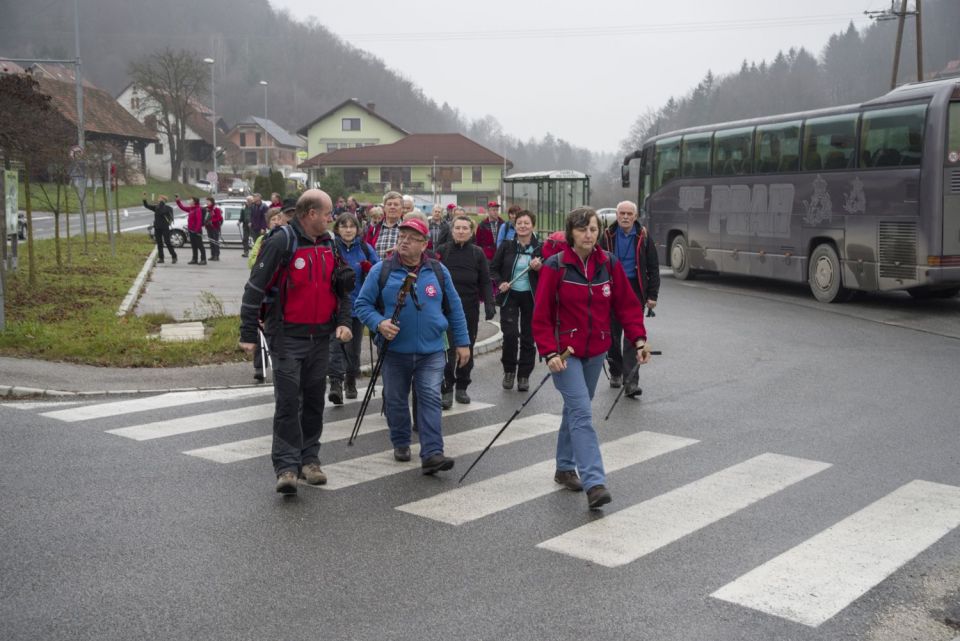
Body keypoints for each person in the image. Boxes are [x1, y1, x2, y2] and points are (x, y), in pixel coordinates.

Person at [532, 207, 651, 510]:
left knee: (575, 409)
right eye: (583, 229)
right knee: (583, 413)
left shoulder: (608, 265)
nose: (589, 234)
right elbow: (541, 316)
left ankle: (563, 466)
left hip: (596, 350)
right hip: (565, 353)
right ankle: (595, 482)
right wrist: (548, 352)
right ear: (571, 232)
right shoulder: (554, 266)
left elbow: (627, 306)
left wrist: (638, 339)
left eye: (594, 229)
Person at [238, 189, 354, 495]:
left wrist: (343, 322)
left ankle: (309, 461)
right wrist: (248, 333)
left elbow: (341, 288)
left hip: (321, 337)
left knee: (315, 400)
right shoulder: (281, 241)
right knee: (289, 401)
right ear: (311, 214)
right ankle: (286, 467)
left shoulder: (330, 244)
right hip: (287, 336)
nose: (333, 218)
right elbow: (254, 288)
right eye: (328, 213)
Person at [354, 217, 470, 475]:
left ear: (424, 244)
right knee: (395, 399)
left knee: (429, 396)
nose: (404, 242)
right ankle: (401, 441)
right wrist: (379, 323)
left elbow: (455, 308)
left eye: (411, 238)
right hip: (394, 352)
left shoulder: (438, 271)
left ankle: (432, 453)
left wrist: (462, 342)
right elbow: (362, 305)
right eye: (401, 237)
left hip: (432, 351)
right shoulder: (381, 270)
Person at [598, 200, 660, 396]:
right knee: (613, 336)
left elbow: (653, 267)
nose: (625, 217)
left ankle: (631, 382)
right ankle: (616, 371)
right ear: (616, 215)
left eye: (629, 214)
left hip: (635, 288)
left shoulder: (644, 236)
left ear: (635, 217)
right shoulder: (607, 235)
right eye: (622, 213)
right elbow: (597, 264)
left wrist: (652, 295)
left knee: (633, 336)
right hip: (611, 287)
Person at [435, 215, 494, 408]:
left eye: (465, 228)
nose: (461, 231)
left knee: (465, 347)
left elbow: (485, 281)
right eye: (457, 228)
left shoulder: (477, 253)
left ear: (471, 232)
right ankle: (447, 388)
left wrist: (490, 303)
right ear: (452, 231)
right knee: (447, 349)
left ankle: (462, 386)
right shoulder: (442, 251)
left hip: (469, 308)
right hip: (444, 308)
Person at [328, 212, 379, 402]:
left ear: (357, 229)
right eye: (344, 226)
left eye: (351, 226)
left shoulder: (365, 249)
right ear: (337, 229)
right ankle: (335, 384)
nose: (348, 230)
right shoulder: (331, 248)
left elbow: (378, 271)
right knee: (335, 346)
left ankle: (351, 380)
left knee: (353, 349)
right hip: (335, 306)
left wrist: (369, 270)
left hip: (358, 307)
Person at [492, 210, 541, 392]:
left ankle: (524, 375)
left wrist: (539, 268)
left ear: (532, 226)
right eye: (519, 223)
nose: (522, 226)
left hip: (531, 297)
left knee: (528, 337)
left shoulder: (539, 249)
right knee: (510, 335)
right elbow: (493, 269)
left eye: (526, 223)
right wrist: (501, 283)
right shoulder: (506, 246)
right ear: (514, 225)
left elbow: (550, 274)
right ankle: (509, 370)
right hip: (510, 296)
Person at [364, 191, 403, 259]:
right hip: (377, 268)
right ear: (384, 208)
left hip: (399, 268)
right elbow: (367, 251)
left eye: (396, 204)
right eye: (389, 204)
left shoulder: (407, 229)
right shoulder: (373, 229)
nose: (392, 207)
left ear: (402, 208)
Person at [143, 192, 177, 264]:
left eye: (160, 198)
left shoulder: (168, 208)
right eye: (159, 198)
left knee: (167, 242)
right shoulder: (156, 207)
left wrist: (161, 204)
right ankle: (161, 258)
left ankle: (174, 256)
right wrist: (144, 198)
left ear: (163, 200)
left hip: (165, 227)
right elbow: (146, 206)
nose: (158, 199)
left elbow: (162, 211)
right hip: (157, 227)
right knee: (159, 243)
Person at [175, 195, 206, 265]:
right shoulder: (191, 208)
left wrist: (196, 230)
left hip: (196, 231)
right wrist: (178, 201)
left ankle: (203, 260)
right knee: (194, 245)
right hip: (191, 230)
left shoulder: (198, 209)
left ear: (194, 202)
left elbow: (199, 221)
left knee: (200, 245)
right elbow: (182, 207)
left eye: (191, 200)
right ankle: (194, 259)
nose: (189, 201)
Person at [203, 196, 223, 261]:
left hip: (215, 227)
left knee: (215, 242)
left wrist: (212, 221)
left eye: (208, 201)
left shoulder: (216, 209)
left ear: (212, 202)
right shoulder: (206, 209)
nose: (207, 202)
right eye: (207, 201)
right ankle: (212, 255)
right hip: (209, 227)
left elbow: (219, 218)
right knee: (211, 242)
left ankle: (217, 255)